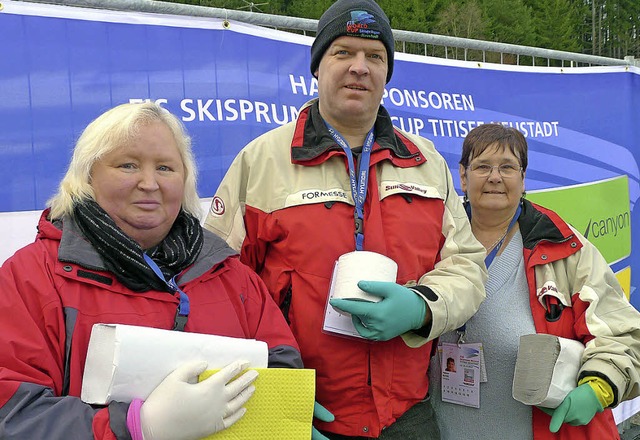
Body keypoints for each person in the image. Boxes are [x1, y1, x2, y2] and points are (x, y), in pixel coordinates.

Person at [203, 0, 487, 438]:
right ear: (317, 67)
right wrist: (268, 387)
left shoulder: (425, 162)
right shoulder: (261, 162)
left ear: (387, 74)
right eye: (343, 52)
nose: (360, 67)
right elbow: (217, 284)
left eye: (375, 56)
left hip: (407, 416)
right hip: (299, 410)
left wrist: (422, 307)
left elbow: (467, 265)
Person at [0, 102, 303, 440]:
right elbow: (13, 414)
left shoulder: (230, 272)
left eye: (165, 168)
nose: (149, 182)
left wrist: (284, 408)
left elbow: (282, 364)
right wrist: (136, 425)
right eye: (127, 165)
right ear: (87, 178)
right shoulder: (31, 276)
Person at [429, 123, 640, 439]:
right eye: (482, 166)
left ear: (523, 178)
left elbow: (622, 333)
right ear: (462, 175)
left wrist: (598, 387)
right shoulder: (432, 238)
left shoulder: (563, 248)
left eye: (508, 168)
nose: (495, 177)